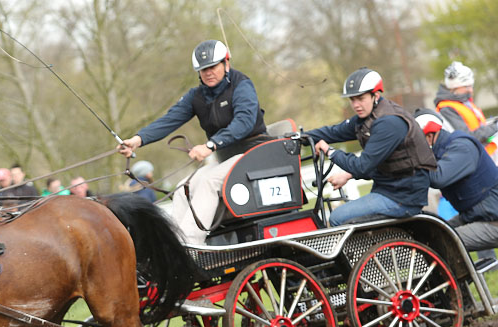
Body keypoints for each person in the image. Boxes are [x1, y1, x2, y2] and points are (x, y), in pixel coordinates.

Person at [117, 39, 268, 243]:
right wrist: (138, 139)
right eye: (203, 69)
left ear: (226, 63)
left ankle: (191, 243)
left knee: (208, 182)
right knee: (183, 187)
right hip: (227, 158)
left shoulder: (242, 85)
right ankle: (173, 242)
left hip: (253, 153)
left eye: (213, 66)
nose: (208, 72)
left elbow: (244, 122)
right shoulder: (197, 96)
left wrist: (210, 145)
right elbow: (170, 120)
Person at [305, 68, 437, 226]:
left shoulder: (389, 122)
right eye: (352, 100)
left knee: (338, 217)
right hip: (388, 189)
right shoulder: (366, 118)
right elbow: (334, 132)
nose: (356, 105)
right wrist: (301, 138)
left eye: (361, 98)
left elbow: (362, 167)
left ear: (376, 95)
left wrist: (330, 151)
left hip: (403, 197)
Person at [414, 109, 498, 254]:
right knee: (432, 233)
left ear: (429, 136)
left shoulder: (461, 147)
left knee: (441, 243)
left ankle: (463, 276)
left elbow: (437, 178)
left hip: (492, 220)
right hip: (476, 215)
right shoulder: (441, 151)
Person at [434, 62, 498, 159]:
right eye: (467, 87)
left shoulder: (463, 103)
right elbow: (468, 136)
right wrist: (495, 127)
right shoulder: (447, 109)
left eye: (471, 86)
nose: (471, 90)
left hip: (487, 154)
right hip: (478, 159)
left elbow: (479, 127)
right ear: (454, 87)